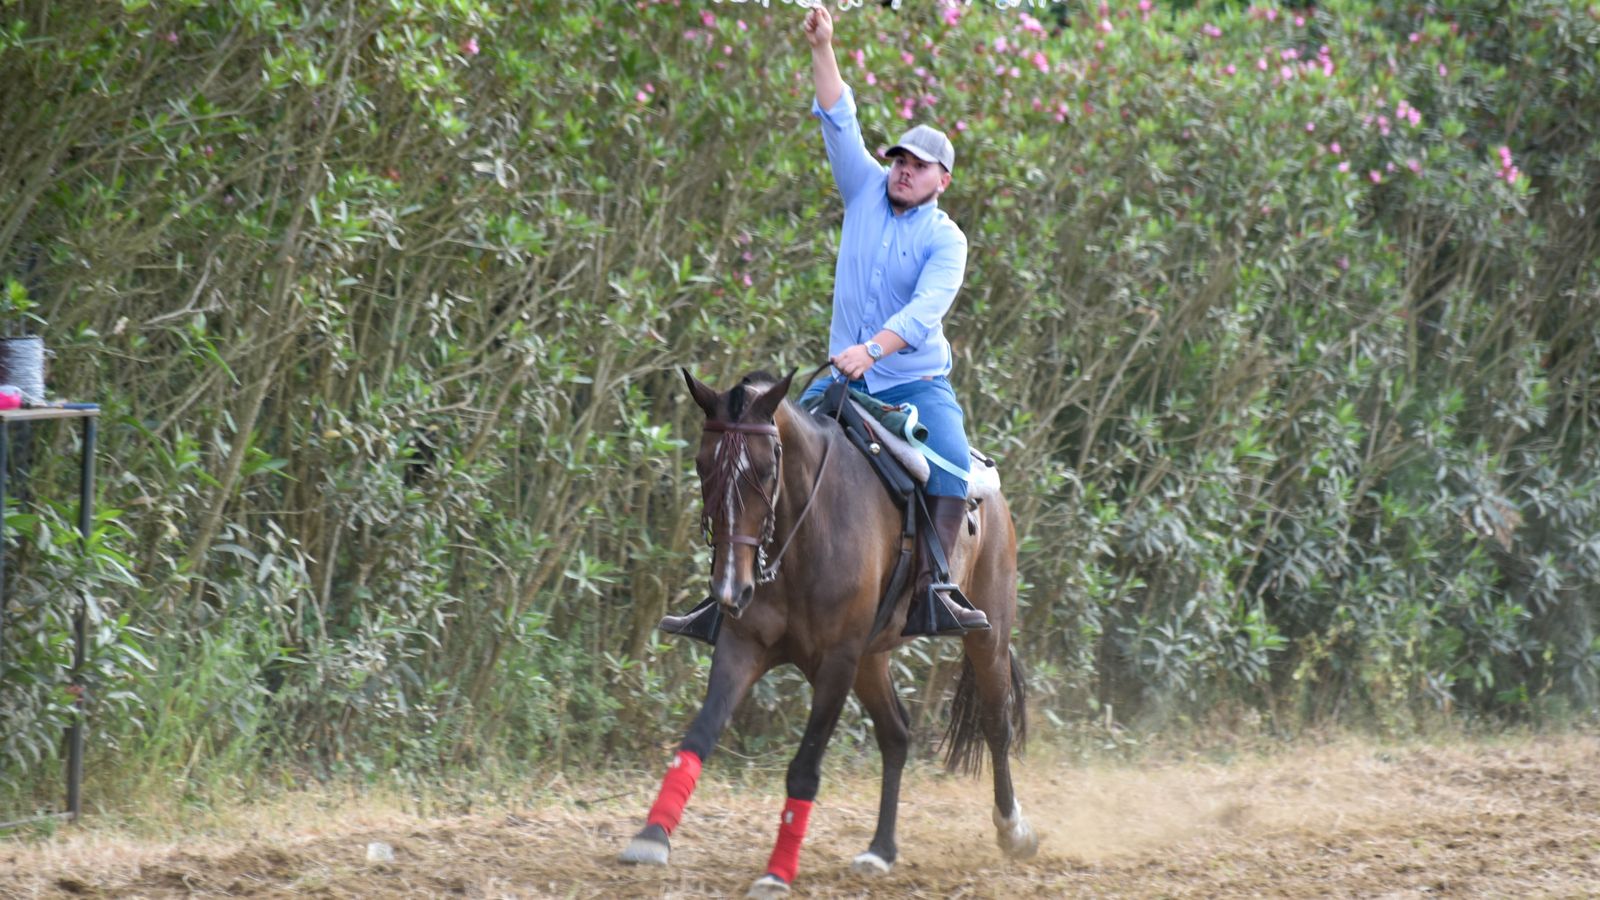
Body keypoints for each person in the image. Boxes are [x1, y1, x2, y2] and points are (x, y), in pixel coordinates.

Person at [661, 5, 987, 641]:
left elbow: (923, 313)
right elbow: (840, 117)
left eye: (919, 165)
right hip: (844, 382)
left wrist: (871, 350)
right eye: (899, 159)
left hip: (914, 385)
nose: (903, 169)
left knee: (950, 463)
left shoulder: (948, 239)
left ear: (942, 180)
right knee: (757, 448)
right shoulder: (863, 187)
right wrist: (823, 46)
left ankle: (935, 591)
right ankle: (726, 593)